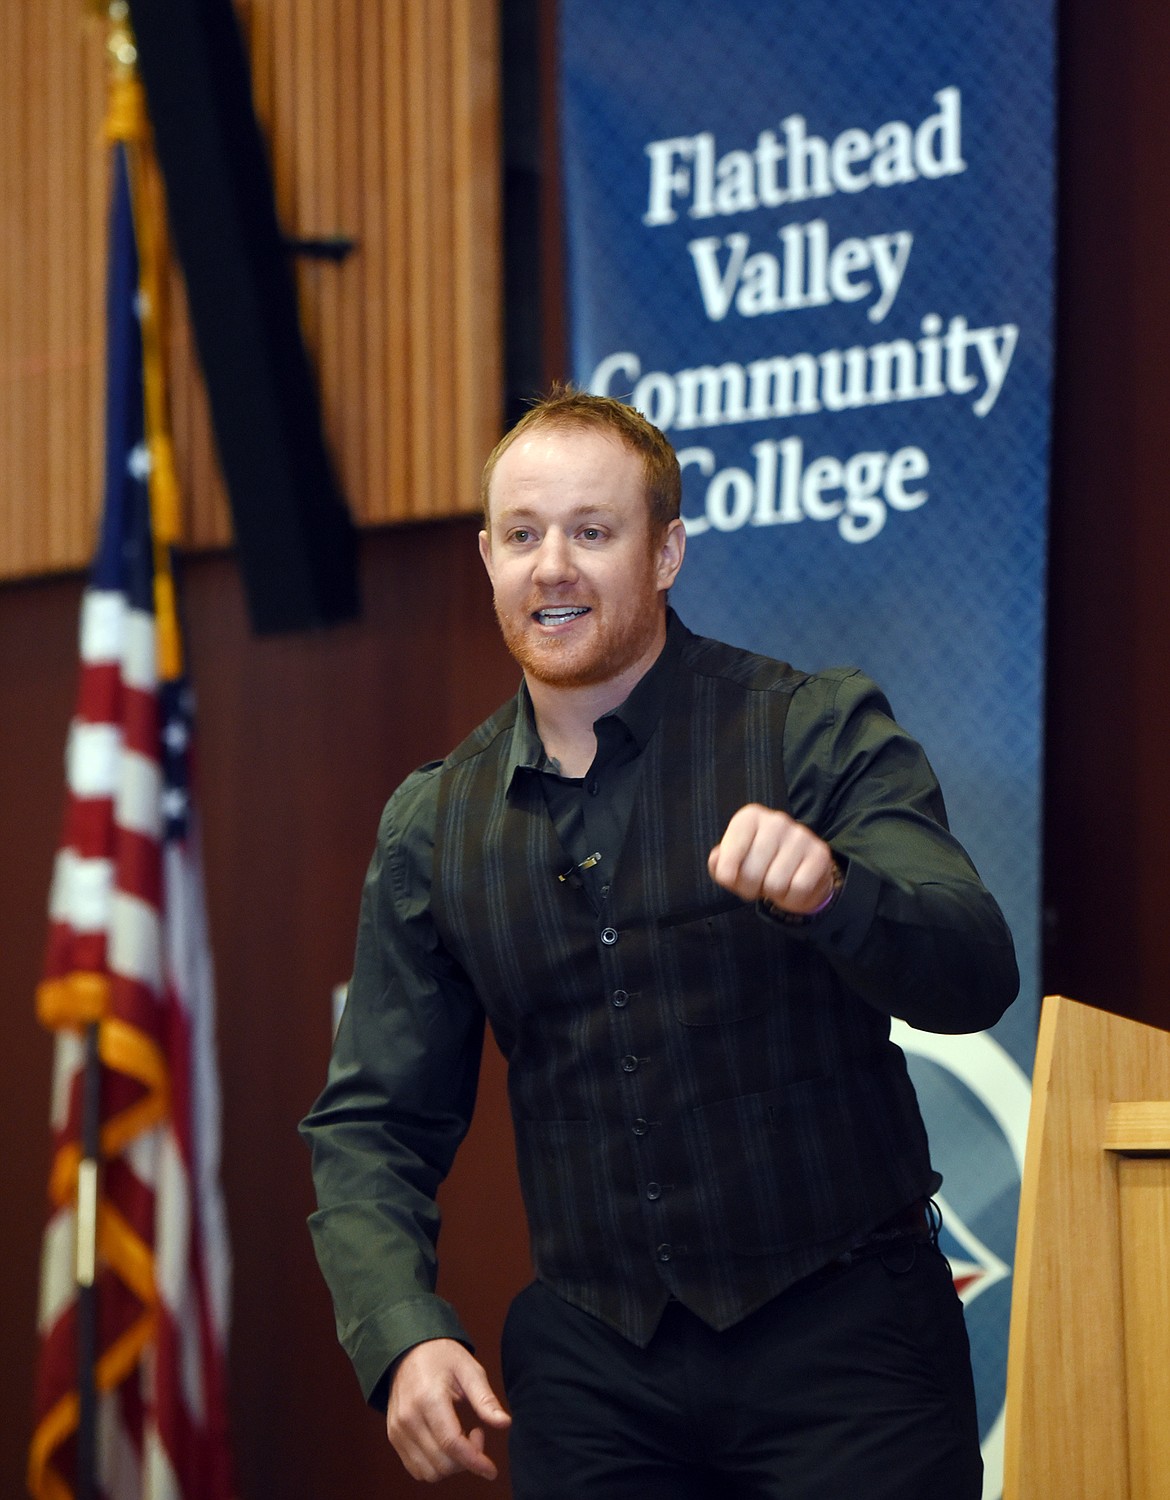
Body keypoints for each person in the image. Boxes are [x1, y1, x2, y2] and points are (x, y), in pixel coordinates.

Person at [301, 387, 1018, 1499]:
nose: (555, 566)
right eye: (526, 535)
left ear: (667, 550)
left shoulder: (810, 730)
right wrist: (400, 1329)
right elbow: (374, 1120)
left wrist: (838, 892)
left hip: (850, 1350)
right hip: (595, 1374)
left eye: (593, 532)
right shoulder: (432, 824)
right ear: (487, 556)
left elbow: (976, 969)